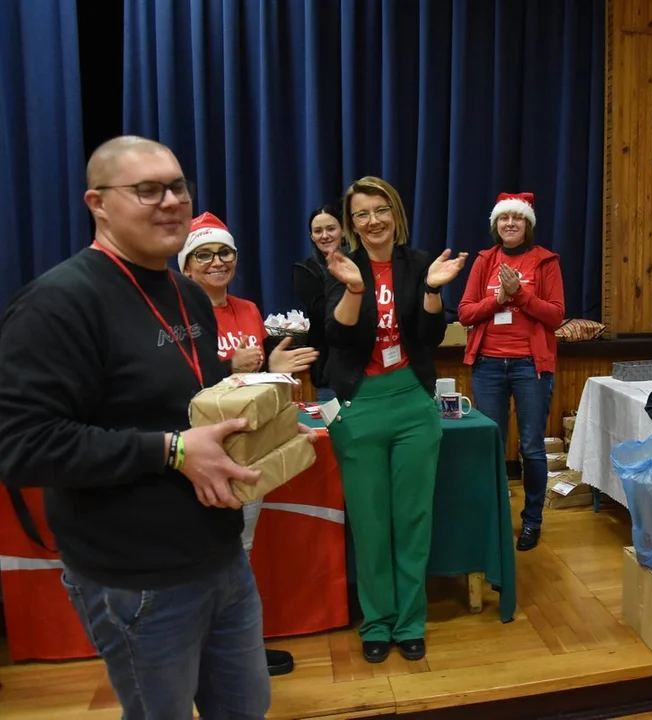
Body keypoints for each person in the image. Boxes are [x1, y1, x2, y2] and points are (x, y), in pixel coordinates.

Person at [0, 136, 275, 719]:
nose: (170, 201)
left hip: (223, 560)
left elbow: (191, 402)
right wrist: (172, 451)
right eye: (146, 190)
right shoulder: (57, 305)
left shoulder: (187, 294)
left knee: (248, 711)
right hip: (135, 580)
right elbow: (21, 447)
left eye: (177, 186)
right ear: (97, 203)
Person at [323, 176, 467, 663]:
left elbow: (428, 335)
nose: (372, 221)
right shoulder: (341, 266)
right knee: (369, 523)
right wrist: (356, 288)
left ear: (394, 212)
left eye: (380, 209)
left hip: (411, 403)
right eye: (361, 214)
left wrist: (431, 290)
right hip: (360, 406)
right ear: (352, 223)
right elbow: (337, 339)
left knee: (412, 520)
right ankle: (377, 622)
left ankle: (409, 621)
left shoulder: (419, 262)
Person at [179, 210, 319, 677]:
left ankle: (238, 650)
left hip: (250, 447)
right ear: (186, 266)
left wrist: (273, 364)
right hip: (202, 454)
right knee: (204, 555)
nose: (216, 262)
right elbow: (180, 386)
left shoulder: (248, 309)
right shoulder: (176, 315)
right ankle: (200, 652)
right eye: (204, 255)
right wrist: (230, 368)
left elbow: (254, 385)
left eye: (224, 252)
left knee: (242, 548)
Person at [457, 192, 565, 551]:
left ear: (527, 225)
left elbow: (554, 316)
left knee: (532, 447)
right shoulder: (484, 261)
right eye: (504, 219)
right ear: (496, 225)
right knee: (491, 445)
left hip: (530, 366)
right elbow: (466, 313)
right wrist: (499, 299)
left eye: (517, 219)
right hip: (488, 365)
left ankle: (532, 520)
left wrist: (519, 295)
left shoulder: (545, 261)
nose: (510, 224)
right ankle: (494, 516)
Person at [293, 204, 345, 388]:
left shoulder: (361, 263)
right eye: (318, 231)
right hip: (329, 366)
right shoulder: (304, 269)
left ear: (344, 230)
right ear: (311, 237)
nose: (325, 235)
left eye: (331, 228)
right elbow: (323, 312)